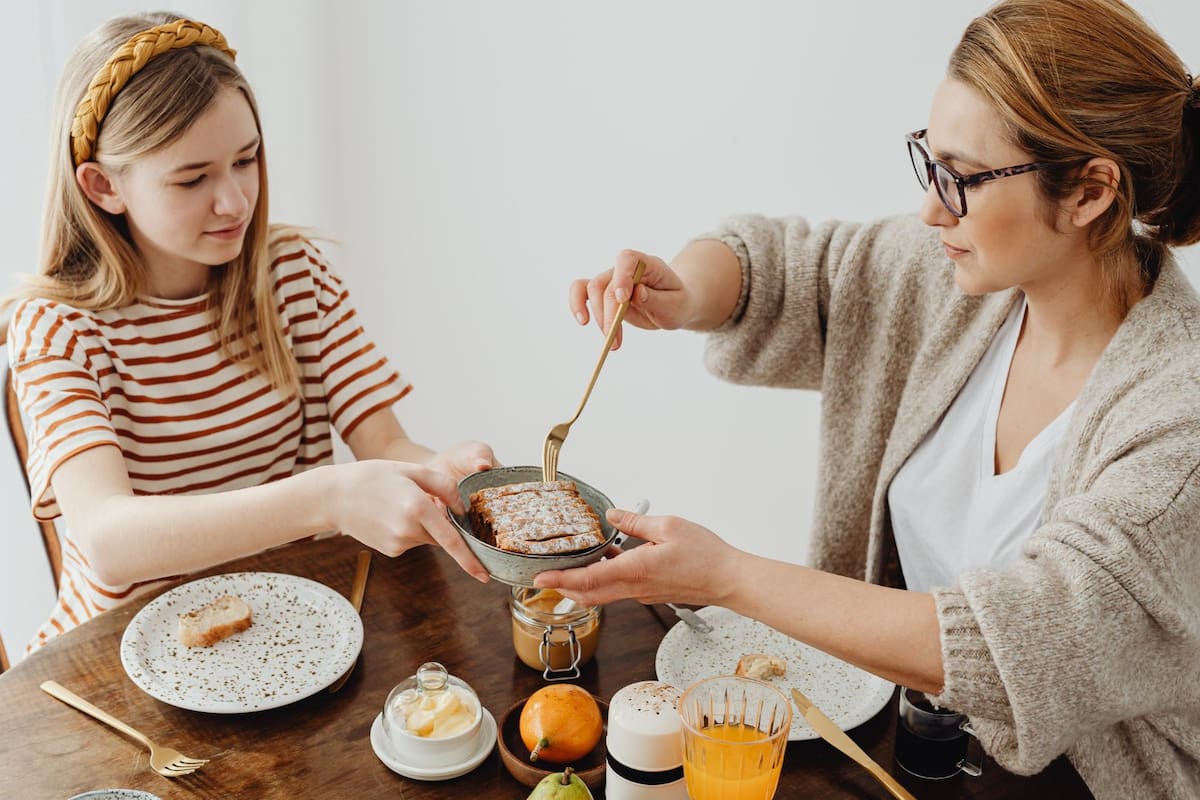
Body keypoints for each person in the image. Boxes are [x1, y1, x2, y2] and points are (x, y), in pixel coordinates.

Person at [537, 0, 1200, 796]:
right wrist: (684, 293)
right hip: (895, 743)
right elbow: (793, 267)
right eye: (929, 160)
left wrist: (727, 577)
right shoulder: (961, 279)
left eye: (960, 178)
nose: (930, 208)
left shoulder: (1176, 431)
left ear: (1091, 191)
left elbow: (1013, 644)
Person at [6, 13, 495, 653]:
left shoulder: (293, 273)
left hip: (285, 631)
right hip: (120, 656)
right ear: (103, 186)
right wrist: (327, 498)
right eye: (192, 178)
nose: (235, 201)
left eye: (246, 160)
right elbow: (108, 540)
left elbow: (384, 445)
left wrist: (435, 472)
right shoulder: (55, 326)